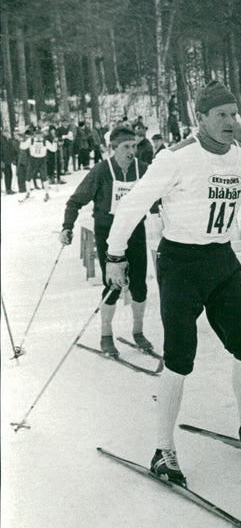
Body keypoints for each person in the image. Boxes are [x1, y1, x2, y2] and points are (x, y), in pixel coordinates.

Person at [104, 80, 241, 486]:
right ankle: (162, 448)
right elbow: (132, 204)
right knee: (180, 356)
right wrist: (115, 255)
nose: (230, 122)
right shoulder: (175, 158)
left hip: (220, 260)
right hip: (181, 262)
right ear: (199, 118)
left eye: (234, 114)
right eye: (220, 115)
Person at [60, 126, 153, 357]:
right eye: (126, 147)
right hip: (108, 235)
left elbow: (163, 195)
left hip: (135, 232)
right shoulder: (102, 171)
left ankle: (138, 332)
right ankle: (106, 335)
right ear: (114, 148)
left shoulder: (143, 170)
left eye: (134, 146)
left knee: (139, 285)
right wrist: (67, 226)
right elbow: (74, 201)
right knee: (113, 285)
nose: (132, 151)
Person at [1, 128, 17, 195]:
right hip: (3, 161)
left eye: (8, 132)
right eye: (6, 132)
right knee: (6, 175)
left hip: (8, 160)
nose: (8, 134)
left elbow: (12, 150)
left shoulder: (8, 140)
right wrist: (1, 161)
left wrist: (13, 158)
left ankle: (9, 188)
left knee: (9, 174)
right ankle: (7, 189)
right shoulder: (2, 140)